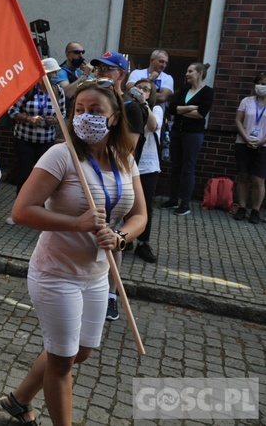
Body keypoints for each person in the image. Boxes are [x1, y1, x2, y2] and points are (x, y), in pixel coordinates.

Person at [0, 78, 146, 426]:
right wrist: (76, 223)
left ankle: (18, 399)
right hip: (55, 274)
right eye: (79, 110)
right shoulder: (61, 154)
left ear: (114, 117)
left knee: (80, 351)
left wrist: (120, 237)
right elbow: (21, 210)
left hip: (96, 275)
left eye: (95, 111)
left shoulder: (124, 157)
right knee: (62, 362)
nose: (85, 117)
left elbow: (140, 215)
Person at [90, 52, 144, 319]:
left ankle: (111, 293)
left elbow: (128, 149)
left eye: (107, 69)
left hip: (116, 178)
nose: (100, 72)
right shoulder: (95, 98)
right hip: (90, 171)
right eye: (98, 67)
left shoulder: (131, 106)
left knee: (114, 237)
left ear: (121, 74)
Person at [160, 63, 214, 216]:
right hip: (177, 132)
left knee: (188, 167)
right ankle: (173, 199)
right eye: (187, 71)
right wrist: (191, 107)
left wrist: (181, 110)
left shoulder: (207, 92)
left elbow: (201, 113)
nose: (187, 74)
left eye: (190, 71)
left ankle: (185, 204)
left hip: (193, 134)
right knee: (175, 166)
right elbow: (171, 109)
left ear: (200, 73)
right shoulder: (184, 90)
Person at [7, 57, 66, 195]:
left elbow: (62, 113)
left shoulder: (58, 91)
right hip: (24, 140)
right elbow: (11, 111)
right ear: (42, 73)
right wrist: (29, 119)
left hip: (46, 141)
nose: (54, 76)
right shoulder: (27, 89)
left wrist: (54, 120)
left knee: (43, 176)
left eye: (56, 72)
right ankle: (20, 209)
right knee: (25, 174)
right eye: (51, 73)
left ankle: (39, 208)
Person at [130, 79, 163, 263]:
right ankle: (125, 237)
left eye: (146, 89)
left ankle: (143, 242)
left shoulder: (155, 109)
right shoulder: (128, 106)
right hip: (129, 161)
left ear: (151, 94)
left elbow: (153, 126)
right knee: (125, 200)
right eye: (139, 87)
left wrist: (143, 103)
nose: (141, 90)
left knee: (145, 204)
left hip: (148, 164)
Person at [233, 72, 266, 223]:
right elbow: (238, 120)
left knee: (258, 179)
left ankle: (256, 210)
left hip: (263, 146)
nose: (262, 87)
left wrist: (261, 141)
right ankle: (242, 207)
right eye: (260, 83)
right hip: (243, 143)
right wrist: (246, 138)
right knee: (243, 176)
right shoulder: (246, 101)